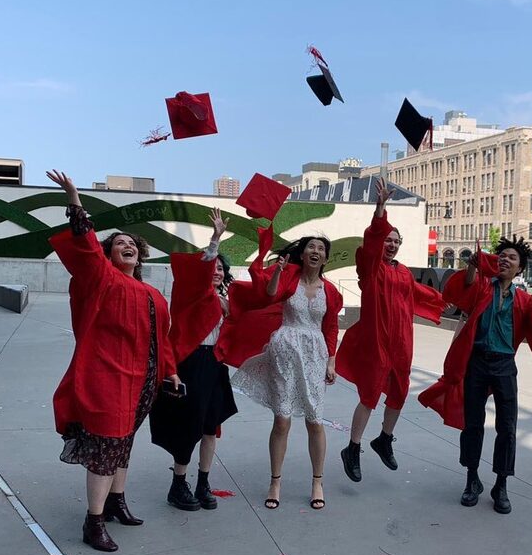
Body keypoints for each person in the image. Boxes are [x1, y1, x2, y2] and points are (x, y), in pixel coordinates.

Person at [46, 170, 179, 553]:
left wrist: (169, 371)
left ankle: (117, 502)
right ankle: (93, 521)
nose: (127, 246)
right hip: (107, 375)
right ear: (107, 254)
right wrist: (74, 199)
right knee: (106, 446)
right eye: (118, 243)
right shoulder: (101, 278)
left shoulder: (153, 292)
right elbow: (85, 246)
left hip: (143, 380)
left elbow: (162, 338)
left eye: (132, 244)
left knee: (123, 443)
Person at [418, 237, 532, 515]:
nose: (505, 259)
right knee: (473, 425)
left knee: (508, 427)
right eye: (501, 256)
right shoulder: (482, 288)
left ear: (520, 270)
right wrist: (471, 269)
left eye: (512, 258)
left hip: (504, 365)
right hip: (476, 364)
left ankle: (501, 484)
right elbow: (459, 293)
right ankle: (472, 480)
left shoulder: (526, 301)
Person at [217, 229, 342, 510]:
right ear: (303, 253)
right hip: (285, 350)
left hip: (314, 354)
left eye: (321, 249)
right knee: (282, 419)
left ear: (325, 258)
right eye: (311, 246)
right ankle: (275, 481)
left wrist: (331, 360)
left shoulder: (331, 291)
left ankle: (317, 481)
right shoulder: (290, 278)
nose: (316, 251)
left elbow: (331, 326)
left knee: (315, 420)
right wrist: (277, 272)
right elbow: (271, 294)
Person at [337, 178, 446, 482]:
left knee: (399, 393)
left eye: (396, 241)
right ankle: (353, 448)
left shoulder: (404, 273)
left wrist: (443, 301)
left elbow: (422, 296)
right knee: (370, 395)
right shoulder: (371, 267)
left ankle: (384, 439)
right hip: (376, 341)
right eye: (388, 240)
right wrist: (380, 208)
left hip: (401, 344)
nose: (392, 244)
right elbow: (372, 240)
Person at [150, 207, 237, 512]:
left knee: (210, 426)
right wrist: (214, 240)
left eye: (220, 269)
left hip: (214, 364)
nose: (216, 271)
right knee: (189, 426)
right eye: (211, 267)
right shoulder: (188, 292)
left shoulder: (226, 303)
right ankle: (178, 483)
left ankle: (203, 481)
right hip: (191, 362)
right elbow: (199, 272)